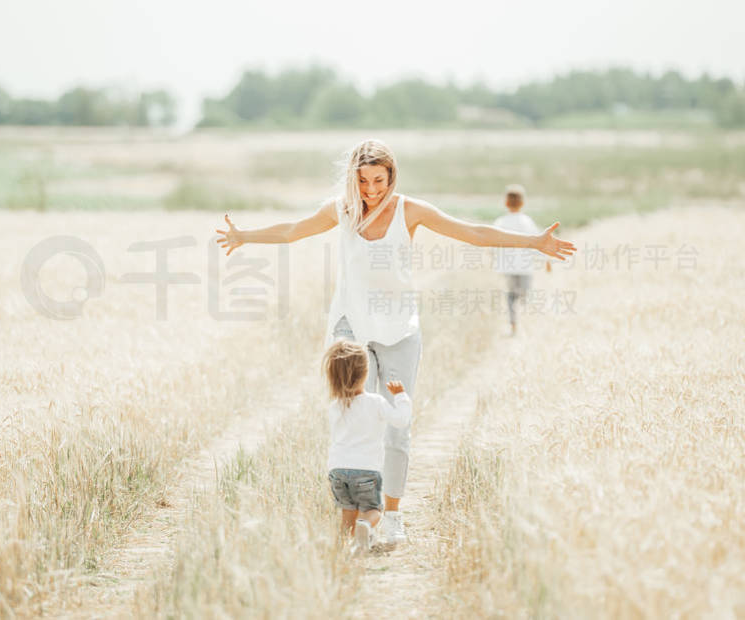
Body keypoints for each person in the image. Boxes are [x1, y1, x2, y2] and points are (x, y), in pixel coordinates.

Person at [215, 139, 576, 543]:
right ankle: (357, 517)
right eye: (364, 180)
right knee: (355, 417)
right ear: (354, 177)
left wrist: (533, 243)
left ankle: (391, 516)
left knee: (396, 429)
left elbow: (471, 233)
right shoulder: (342, 209)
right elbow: (293, 231)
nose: (371, 190)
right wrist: (244, 236)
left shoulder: (410, 210)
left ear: (392, 176)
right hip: (350, 326)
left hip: (400, 329)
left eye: (379, 180)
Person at [323, 339, 411, 552]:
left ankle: (344, 548)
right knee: (373, 511)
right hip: (366, 470)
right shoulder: (376, 402)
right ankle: (366, 526)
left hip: (337, 470)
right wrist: (400, 396)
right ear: (364, 374)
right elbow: (401, 420)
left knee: (348, 513)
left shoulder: (335, 407)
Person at [493, 184, 552, 336]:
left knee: (511, 296)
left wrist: (495, 260)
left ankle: (514, 324)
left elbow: (492, 243)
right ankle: (524, 323)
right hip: (525, 266)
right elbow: (537, 243)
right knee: (525, 294)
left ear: (506, 203)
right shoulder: (526, 222)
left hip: (508, 267)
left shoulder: (500, 222)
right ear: (522, 203)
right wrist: (546, 259)